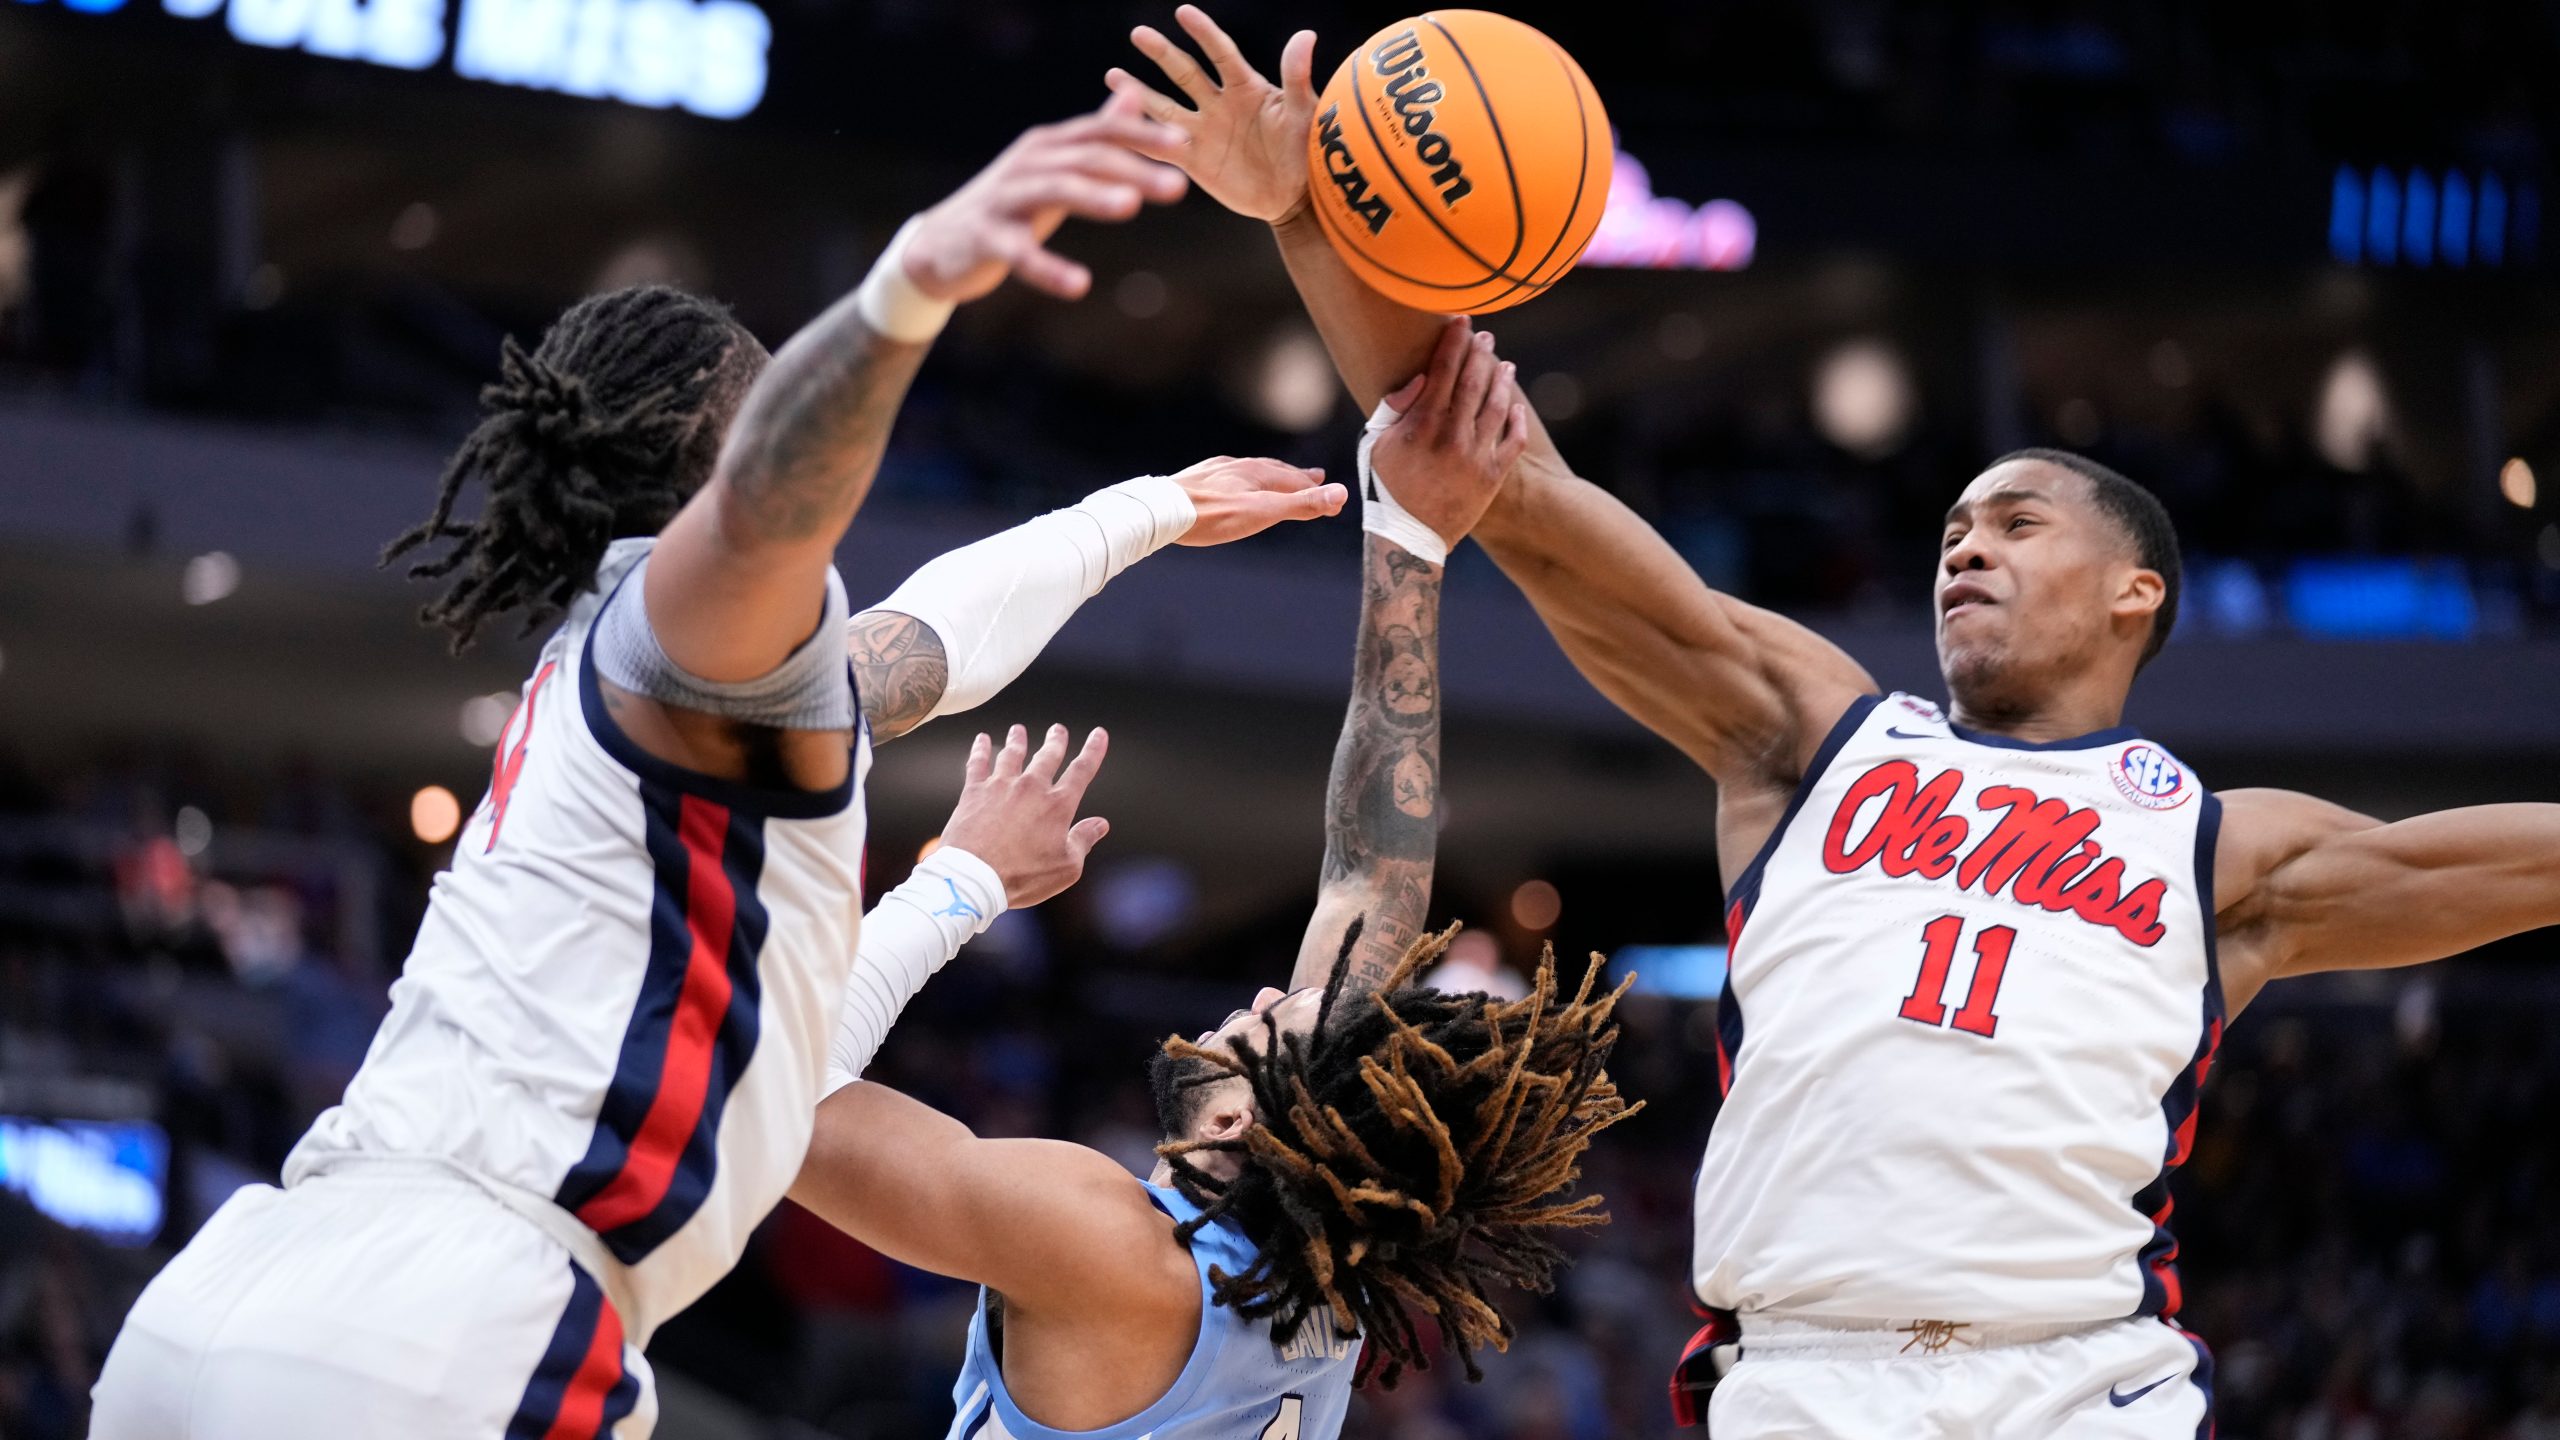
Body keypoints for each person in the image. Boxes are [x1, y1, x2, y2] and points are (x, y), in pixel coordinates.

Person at [1104, 11, 2560, 1435]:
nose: (1963, 548)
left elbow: (2499, 864)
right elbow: (1499, 483)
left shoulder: (2221, 847)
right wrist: (1306, 215)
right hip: (1804, 1379)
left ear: (2138, 591)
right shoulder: (1817, 733)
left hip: (2078, 1381)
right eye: (1951, 528)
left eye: (2015, 522)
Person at [91, 95, 1351, 1440]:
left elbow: (926, 647)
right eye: (767, 399)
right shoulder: (693, 620)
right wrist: (909, 287)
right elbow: (776, 508)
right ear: (722, 446)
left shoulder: (665, 694)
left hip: (252, 1281)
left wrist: (1139, 520)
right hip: (449, 1326)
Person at [787, 322, 1638, 1440]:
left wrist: (961, 884)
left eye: (1276, 1023)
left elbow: (767, 1091)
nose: (1262, 998)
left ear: (1247, 1123)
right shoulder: (1319, 1283)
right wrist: (1410, 540)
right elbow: (1375, 875)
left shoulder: (1108, 1248)